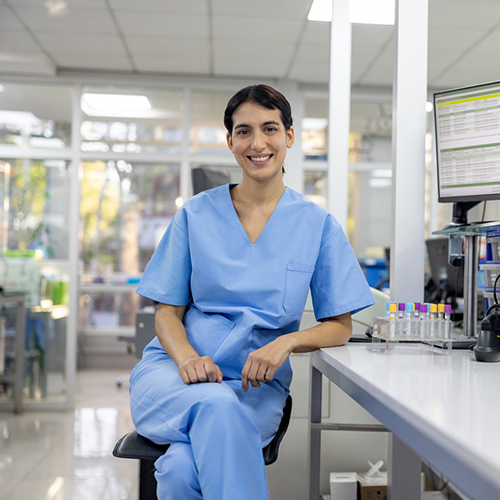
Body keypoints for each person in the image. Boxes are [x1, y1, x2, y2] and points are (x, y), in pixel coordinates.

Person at [129, 84, 374, 500]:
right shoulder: (196, 214)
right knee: (213, 407)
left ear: (290, 137)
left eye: (270, 129)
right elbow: (166, 313)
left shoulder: (316, 225)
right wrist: (187, 359)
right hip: (176, 375)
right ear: (229, 141)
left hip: (252, 388)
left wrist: (288, 342)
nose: (257, 143)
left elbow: (340, 326)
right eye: (243, 131)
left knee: (178, 472)